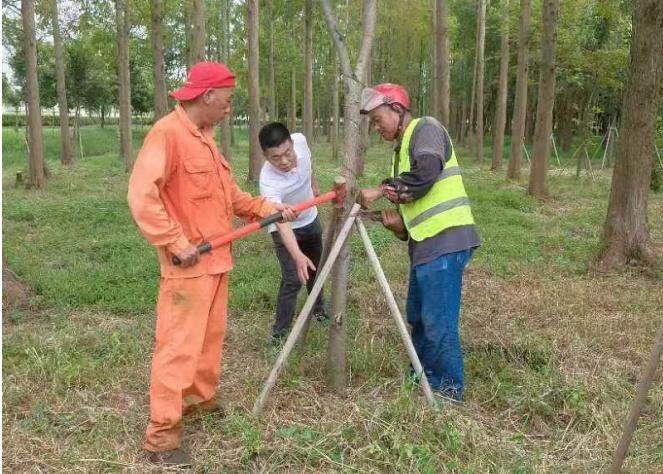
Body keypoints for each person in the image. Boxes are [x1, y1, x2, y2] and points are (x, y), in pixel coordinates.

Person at [127, 61, 313, 468]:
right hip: (187, 265)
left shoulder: (207, 138)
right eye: (227, 101)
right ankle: (162, 436)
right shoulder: (168, 134)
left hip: (216, 262)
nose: (230, 109)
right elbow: (142, 197)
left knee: (209, 341)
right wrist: (177, 243)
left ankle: (199, 400)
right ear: (208, 96)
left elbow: (230, 197)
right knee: (177, 348)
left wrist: (268, 206)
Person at [358, 83, 481, 402]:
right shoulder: (399, 157)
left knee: (438, 321)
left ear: (397, 109)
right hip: (425, 246)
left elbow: (426, 174)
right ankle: (423, 377)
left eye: (377, 118)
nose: (376, 127)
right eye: (372, 122)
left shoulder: (425, 129)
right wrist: (398, 225)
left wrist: (380, 191)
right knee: (418, 314)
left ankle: (448, 391)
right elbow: (411, 214)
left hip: (446, 240)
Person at [258, 122, 328, 343]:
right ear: (266, 157)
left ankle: (318, 310)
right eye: (275, 158)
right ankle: (279, 334)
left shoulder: (301, 140)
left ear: (291, 143)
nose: (285, 161)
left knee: (316, 269)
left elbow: (309, 163)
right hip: (285, 228)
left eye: (287, 153)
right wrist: (297, 256)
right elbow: (282, 224)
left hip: (310, 217)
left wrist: (314, 185)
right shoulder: (268, 182)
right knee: (293, 279)